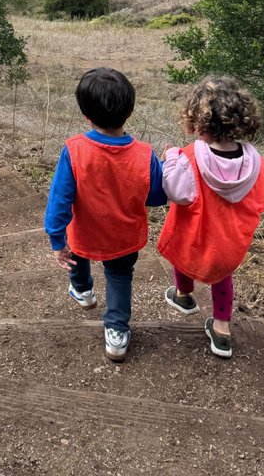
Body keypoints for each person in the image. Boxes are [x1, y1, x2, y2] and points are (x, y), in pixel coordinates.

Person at [44, 67, 166, 362]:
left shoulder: (74, 150)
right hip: (124, 236)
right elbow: (157, 196)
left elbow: (60, 199)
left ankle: (83, 291)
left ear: (86, 115)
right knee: (120, 276)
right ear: (130, 110)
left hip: (83, 231)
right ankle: (116, 333)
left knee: (76, 256)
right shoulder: (144, 153)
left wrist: (56, 239)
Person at [158, 76, 264, 359]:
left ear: (198, 123)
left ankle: (183, 295)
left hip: (193, 240)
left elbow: (176, 191)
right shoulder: (258, 163)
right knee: (222, 277)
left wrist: (172, 156)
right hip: (229, 247)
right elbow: (261, 201)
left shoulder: (191, 155)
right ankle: (222, 332)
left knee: (183, 252)